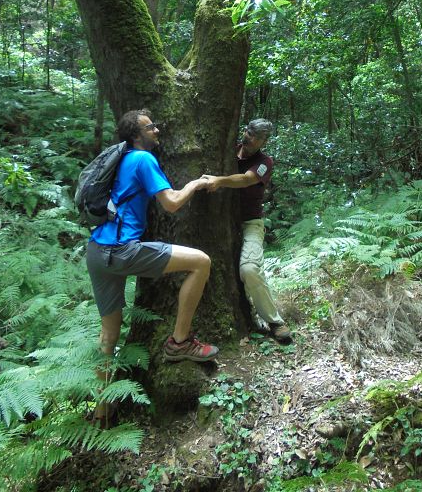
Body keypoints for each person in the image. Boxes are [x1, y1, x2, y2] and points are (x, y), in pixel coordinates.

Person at [86, 108, 219, 417]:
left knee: (108, 336)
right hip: (122, 251)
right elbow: (171, 203)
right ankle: (180, 342)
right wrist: (196, 184)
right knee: (201, 262)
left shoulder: (120, 160)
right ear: (136, 136)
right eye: (150, 127)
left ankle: (101, 409)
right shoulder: (143, 158)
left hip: (96, 252)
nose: (157, 130)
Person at [203, 119, 292, 343]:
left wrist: (219, 181)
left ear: (264, 141)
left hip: (251, 223)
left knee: (250, 269)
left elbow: (246, 180)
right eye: (251, 134)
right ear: (245, 131)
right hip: (222, 222)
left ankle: (275, 322)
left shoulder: (264, 162)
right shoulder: (227, 152)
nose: (252, 140)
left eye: (259, 138)